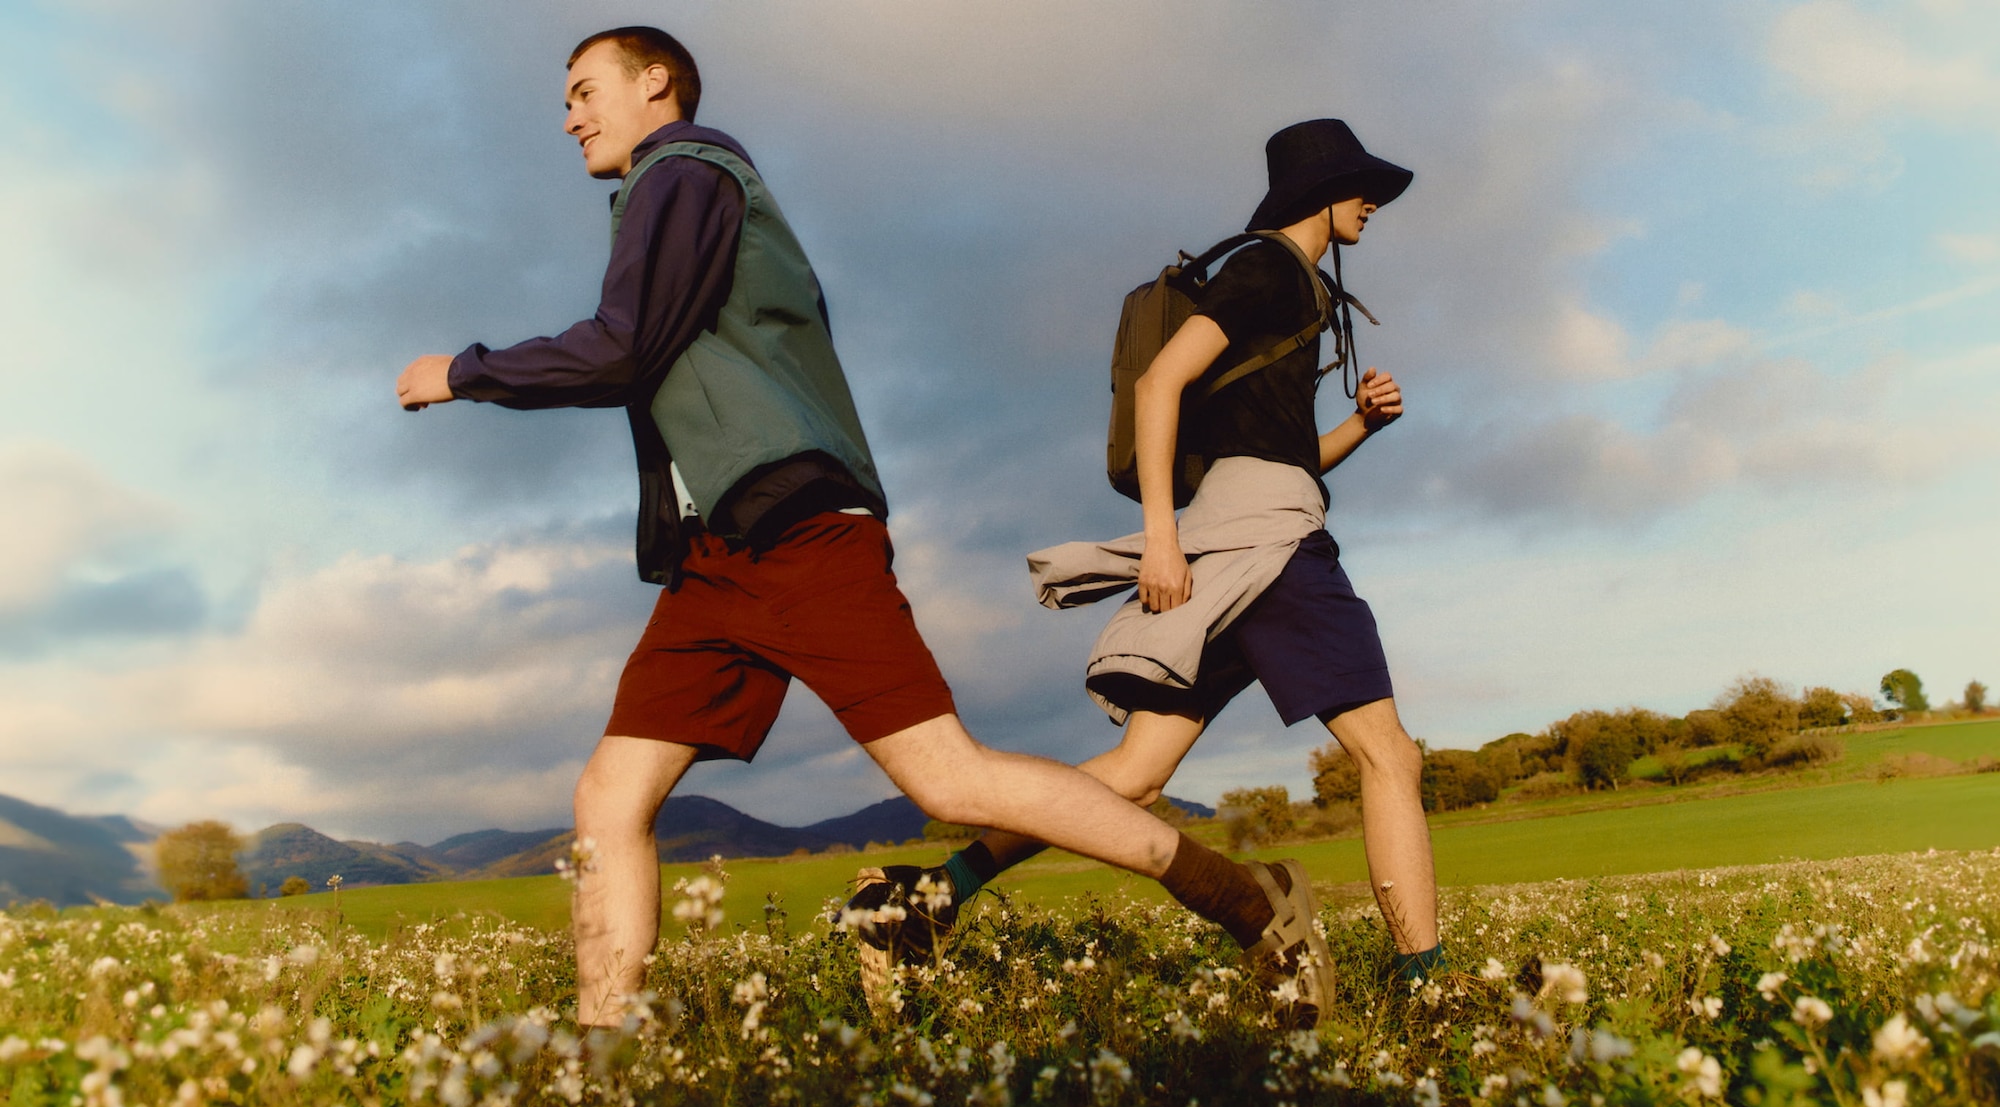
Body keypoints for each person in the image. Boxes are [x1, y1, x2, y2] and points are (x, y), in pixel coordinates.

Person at [394, 27, 1333, 1029]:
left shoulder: (683, 172)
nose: (570, 117)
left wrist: (464, 371)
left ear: (655, 82)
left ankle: (1249, 900)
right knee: (609, 797)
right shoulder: (667, 192)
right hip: (719, 554)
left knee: (950, 779)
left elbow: (622, 346)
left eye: (584, 91)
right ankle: (600, 1054)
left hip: (796, 529)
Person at [851, 119, 1447, 987]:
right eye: (1362, 188)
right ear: (1321, 192)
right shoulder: (1269, 269)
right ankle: (1425, 985)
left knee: (1135, 773)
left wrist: (1359, 425)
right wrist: (1161, 541)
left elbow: (1274, 457)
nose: (1373, 204)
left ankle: (929, 897)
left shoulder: (1289, 282)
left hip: (1237, 536)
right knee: (1390, 754)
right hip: (1272, 548)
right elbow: (1158, 381)